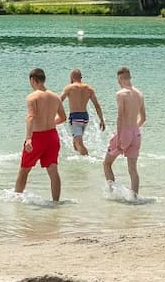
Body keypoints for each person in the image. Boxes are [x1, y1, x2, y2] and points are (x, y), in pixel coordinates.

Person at [13, 68, 67, 202]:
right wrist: (49, 122)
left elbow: (31, 117)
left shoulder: (33, 97)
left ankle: (16, 199)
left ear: (32, 80)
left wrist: (28, 139)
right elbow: (63, 118)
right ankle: (56, 202)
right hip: (52, 136)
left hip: (37, 137)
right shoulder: (55, 97)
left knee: (24, 170)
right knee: (53, 171)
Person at [100, 66, 146, 200]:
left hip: (124, 133)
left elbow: (120, 117)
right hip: (136, 134)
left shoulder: (121, 94)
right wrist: (133, 130)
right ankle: (134, 198)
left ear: (120, 79)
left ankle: (112, 193)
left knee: (106, 163)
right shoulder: (139, 94)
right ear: (129, 77)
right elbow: (143, 118)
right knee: (133, 170)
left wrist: (120, 137)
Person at [59, 68, 105, 157]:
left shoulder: (69, 88)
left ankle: (88, 159)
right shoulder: (89, 88)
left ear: (71, 77)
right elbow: (97, 105)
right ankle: (80, 163)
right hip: (85, 118)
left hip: (75, 117)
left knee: (79, 144)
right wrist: (101, 120)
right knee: (76, 144)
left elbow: (59, 101)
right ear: (81, 77)